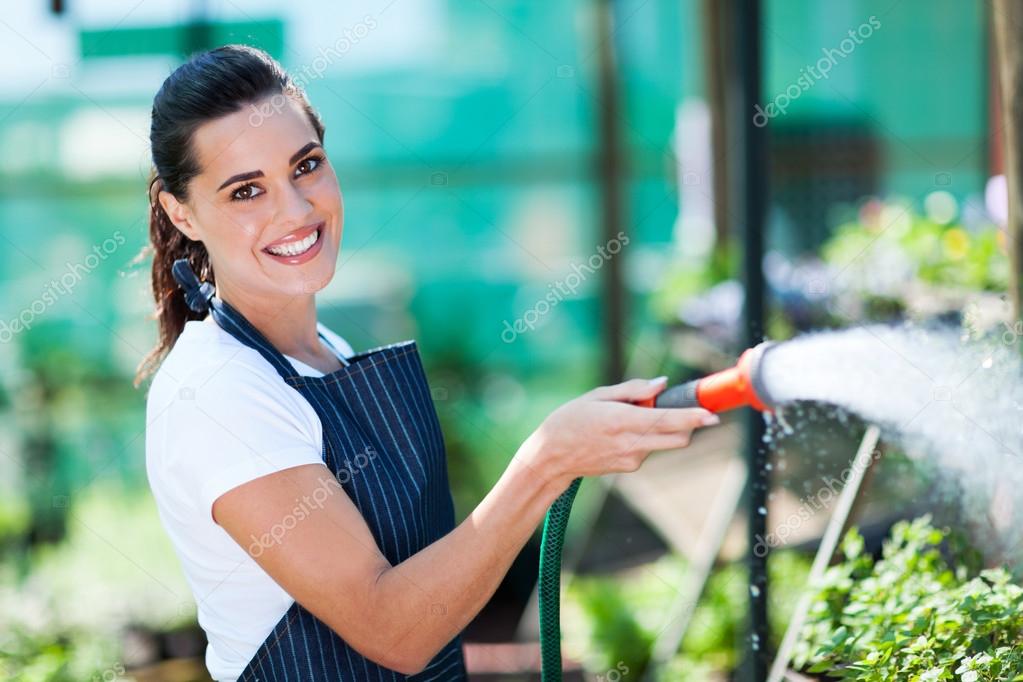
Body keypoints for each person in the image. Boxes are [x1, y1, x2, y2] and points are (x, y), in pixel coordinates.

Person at [138, 44, 720, 682]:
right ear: (182, 212)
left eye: (306, 165)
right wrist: (547, 462)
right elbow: (394, 630)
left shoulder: (330, 350)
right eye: (246, 190)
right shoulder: (220, 390)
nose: (297, 210)